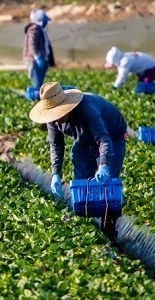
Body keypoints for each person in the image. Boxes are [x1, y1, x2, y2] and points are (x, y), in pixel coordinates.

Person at [28, 82, 127, 240]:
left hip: (111, 137)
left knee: (107, 185)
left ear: (66, 107)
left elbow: (104, 139)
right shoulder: (52, 120)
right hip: (83, 140)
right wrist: (55, 174)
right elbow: (56, 145)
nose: (56, 118)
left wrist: (103, 165)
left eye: (58, 113)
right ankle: (86, 227)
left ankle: (109, 228)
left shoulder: (87, 109)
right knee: (82, 182)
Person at [23, 9, 54, 90]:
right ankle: (36, 94)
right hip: (34, 60)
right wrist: (37, 57)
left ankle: (38, 92)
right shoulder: (34, 29)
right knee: (37, 83)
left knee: (40, 82)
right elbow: (31, 44)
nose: (46, 22)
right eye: (45, 20)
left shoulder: (40, 29)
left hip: (42, 59)